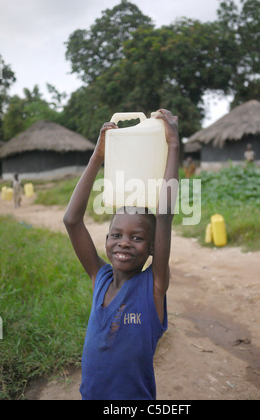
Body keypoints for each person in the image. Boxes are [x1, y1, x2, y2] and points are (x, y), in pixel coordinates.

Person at [63, 109, 179, 400]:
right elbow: (71, 220)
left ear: (153, 248)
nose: (124, 243)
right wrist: (97, 157)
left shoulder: (153, 285)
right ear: (106, 239)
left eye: (137, 238)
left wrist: (174, 146)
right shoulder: (99, 277)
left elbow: (163, 215)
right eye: (116, 235)